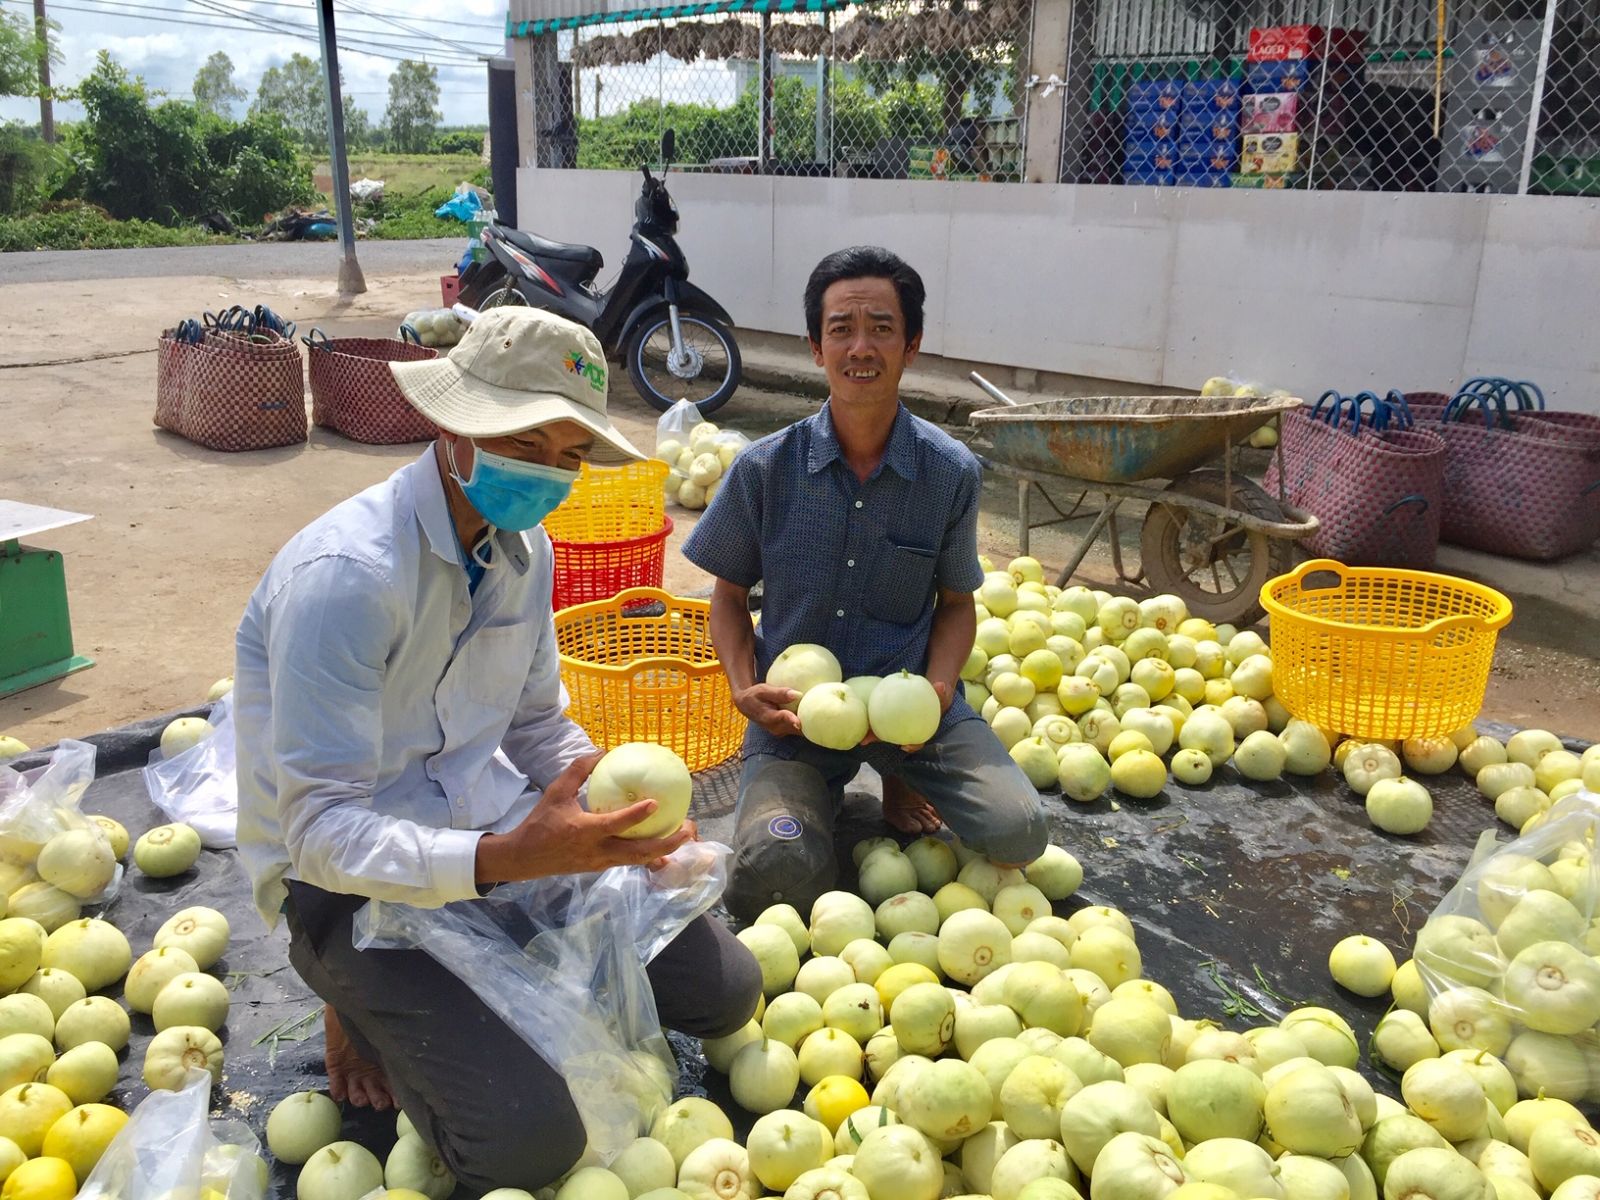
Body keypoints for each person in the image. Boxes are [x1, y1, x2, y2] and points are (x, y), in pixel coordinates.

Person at [233, 307, 761, 1192]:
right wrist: (505, 860)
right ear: (454, 425)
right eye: (527, 443)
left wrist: (618, 816)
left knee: (726, 990)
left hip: (497, 838)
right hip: (345, 889)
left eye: (568, 457)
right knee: (527, 1144)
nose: (548, 475)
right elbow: (319, 833)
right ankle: (354, 999)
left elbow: (535, 722)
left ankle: (463, 980)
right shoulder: (349, 579)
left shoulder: (525, 549)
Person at [683, 245, 1048, 922]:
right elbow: (728, 600)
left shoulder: (950, 472)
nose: (861, 347)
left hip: (909, 711)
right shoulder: (764, 469)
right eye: (841, 329)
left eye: (881, 328)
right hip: (796, 718)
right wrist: (742, 688)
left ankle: (895, 776)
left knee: (1019, 830)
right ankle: (822, 791)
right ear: (816, 348)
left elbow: (957, 605)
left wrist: (938, 693)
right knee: (773, 877)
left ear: (912, 344)